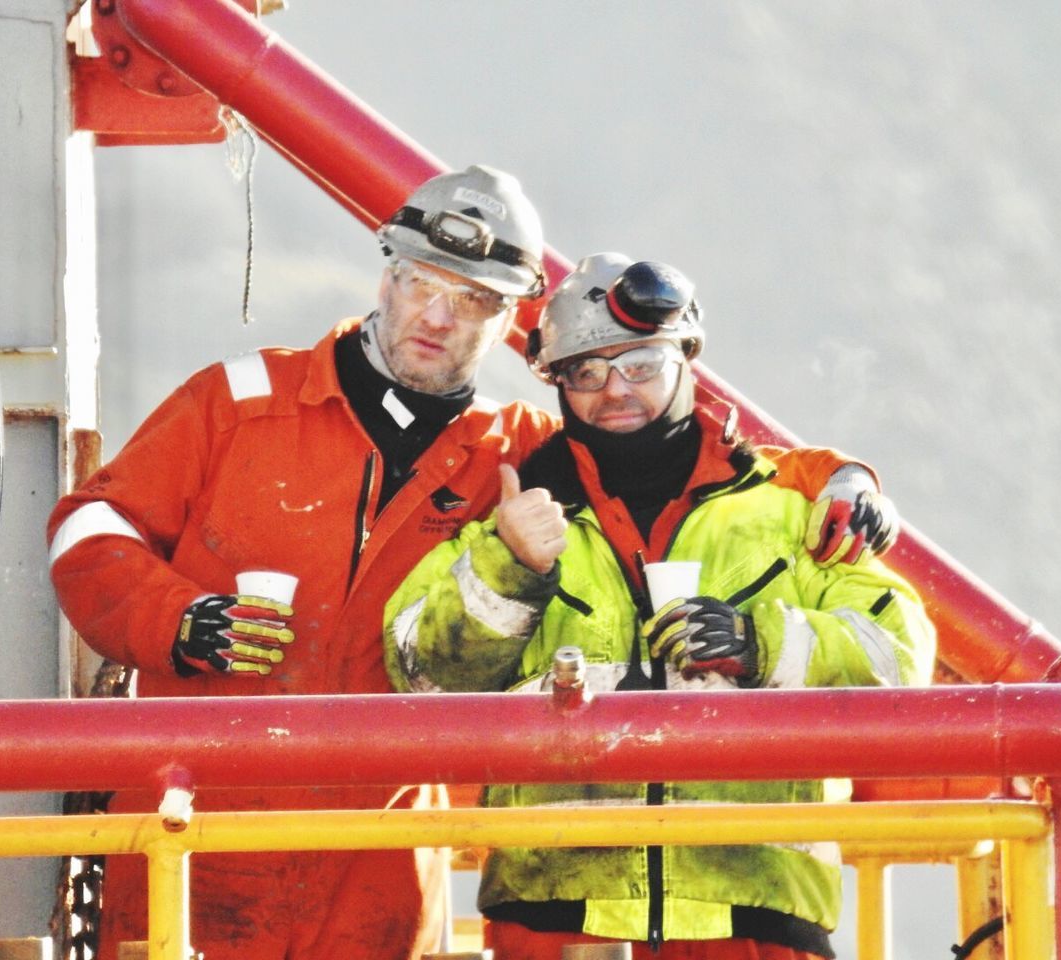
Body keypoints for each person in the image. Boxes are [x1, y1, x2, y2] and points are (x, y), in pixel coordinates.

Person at [49, 156, 893, 959]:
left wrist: (837, 475)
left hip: (380, 859)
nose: (438, 316)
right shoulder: (238, 405)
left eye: (476, 301)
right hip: (190, 842)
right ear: (386, 275)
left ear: (508, 324)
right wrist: (181, 620)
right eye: (421, 282)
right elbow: (91, 530)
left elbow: (683, 454)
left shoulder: (520, 455)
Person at [384, 253, 936, 960]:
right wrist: (509, 567)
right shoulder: (518, 523)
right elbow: (416, 674)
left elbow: (901, 660)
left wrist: (762, 643)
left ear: (686, 356)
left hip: (753, 914)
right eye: (586, 371)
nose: (615, 390)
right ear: (556, 381)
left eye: (640, 363)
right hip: (557, 917)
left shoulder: (788, 515)